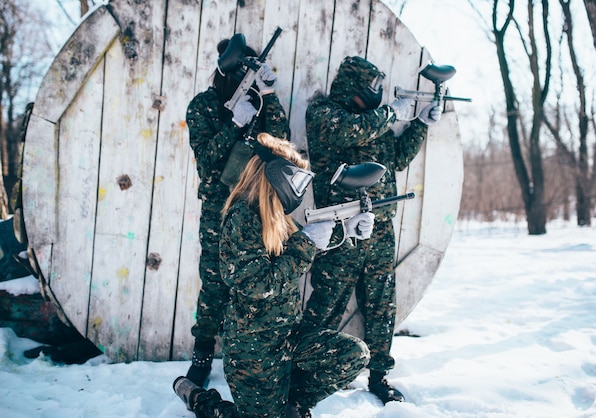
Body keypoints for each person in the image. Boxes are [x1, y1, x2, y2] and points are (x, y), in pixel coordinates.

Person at [174, 132, 373, 418]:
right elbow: (258, 283)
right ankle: (200, 400)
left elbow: (303, 259)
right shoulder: (241, 218)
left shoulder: (278, 217)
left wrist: (348, 232)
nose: (300, 189)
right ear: (277, 176)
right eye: (298, 180)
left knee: (354, 354)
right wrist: (308, 242)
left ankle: (289, 407)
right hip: (254, 351)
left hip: (289, 337)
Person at [302, 56, 442, 404]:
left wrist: (421, 123)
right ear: (352, 87)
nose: (376, 95)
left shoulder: (373, 123)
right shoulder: (323, 114)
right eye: (372, 88)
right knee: (326, 305)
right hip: (340, 230)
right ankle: (300, 371)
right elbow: (352, 129)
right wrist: (393, 112)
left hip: (377, 229)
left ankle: (379, 376)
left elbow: (396, 157)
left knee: (381, 305)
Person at [184, 34, 291, 388]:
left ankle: (242, 357)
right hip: (218, 207)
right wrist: (234, 124)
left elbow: (283, 143)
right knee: (214, 282)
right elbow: (206, 161)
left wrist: (269, 97)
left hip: (256, 207)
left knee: (251, 284)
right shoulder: (203, 106)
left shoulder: (259, 105)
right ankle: (202, 355)